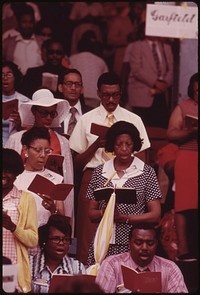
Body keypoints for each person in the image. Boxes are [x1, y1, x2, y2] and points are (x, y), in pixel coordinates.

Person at [69, 72, 150, 265]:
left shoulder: (133, 119)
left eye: (115, 95)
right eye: (106, 95)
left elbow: (143, 156)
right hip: (94, 176)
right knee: (88, 235)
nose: (111, 99)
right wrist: (96, 145)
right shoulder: (86, 119)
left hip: (128, 177)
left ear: (121, 94)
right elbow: (76, 163)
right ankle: (87, 280)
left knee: (124, 230)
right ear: (98, 93)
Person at [86, 121, 162, 267]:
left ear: (135, 145)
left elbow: (155, 214)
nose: (124, 149)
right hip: (103, 243)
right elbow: (91, 213)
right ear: (111, 146)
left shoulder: (146, 172)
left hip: (133, 244)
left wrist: (124, 218)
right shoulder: (99, 172)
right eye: (119, 144)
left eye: (128, 144)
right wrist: (106, 212)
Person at [5, 89, 74, 234]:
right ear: (34, 112)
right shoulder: (16, 138)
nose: (48, 117)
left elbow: (67, 178)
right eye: (44, 113)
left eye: (52, 113)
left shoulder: (62, 142)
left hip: (51, 191)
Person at [96, 223, 188, 293]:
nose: (144, 248)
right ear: (129, 243)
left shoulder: (170, 268)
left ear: (156, 244)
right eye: (138, 243)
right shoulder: (112, 264)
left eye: (150, 243)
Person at [166, 73, 198, 261]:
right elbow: (171, 133)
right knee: (184, 206)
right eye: (196, 91)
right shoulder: (184, 106)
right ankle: (184, 252)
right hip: (188, 156)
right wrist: (190, 132)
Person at [13, 127, 66, 230]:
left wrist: (53, 209)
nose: (43, 155)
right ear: (25, 149)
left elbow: (62, 218)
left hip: (44, 235)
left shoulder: (56, 178)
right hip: (18, 231)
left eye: (47, 151)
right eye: (38, 150)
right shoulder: (15, 176)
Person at [2, 148, 38, 293]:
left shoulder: (26, 199)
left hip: (10, 265)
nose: (3, 175)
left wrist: (13, 227)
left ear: (16, 174)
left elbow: (33, 240)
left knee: (8, 290)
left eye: (8, 171)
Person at [127, 30, 174, 128]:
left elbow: (171, 69)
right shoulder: (137, 46)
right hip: (143, 96)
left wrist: (164, 84)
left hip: (162, 94)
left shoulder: (166, 47)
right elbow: (136, 69)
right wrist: (156, 83)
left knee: (160, 127)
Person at [30, 214, 86, 293]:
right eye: (56, 239)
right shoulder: (29, 265)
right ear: (44, 241)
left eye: (66, 239)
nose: (61, 243)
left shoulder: (77, 268)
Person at [69, 31, 109, 108]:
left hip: (77, 97)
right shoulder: (100, 61)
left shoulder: (72, 59)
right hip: (96, 97)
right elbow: (106, 82)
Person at [3, 4, 44, 76]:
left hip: (37, 82)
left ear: (34, 23)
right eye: (24, 22)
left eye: (31, 22)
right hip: (16, 83)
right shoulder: (8, 43)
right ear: (18, 23)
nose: (28, 25)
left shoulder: (42, 42)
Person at [2, 60, 30, 146]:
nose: (5, 78)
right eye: (2, 75)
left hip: (15, 145)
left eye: (9, 75)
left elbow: (30, 132)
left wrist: (20, 124)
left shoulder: (26, 101)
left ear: (15, 77)